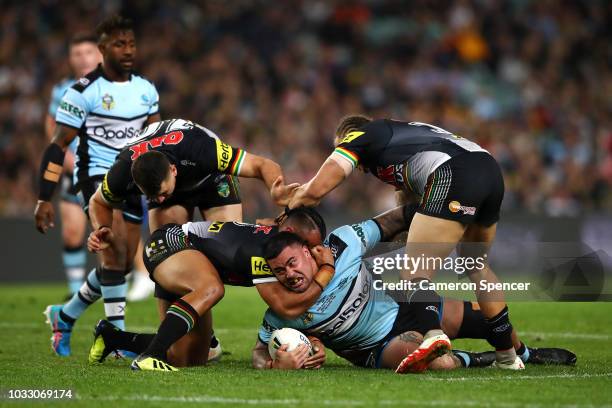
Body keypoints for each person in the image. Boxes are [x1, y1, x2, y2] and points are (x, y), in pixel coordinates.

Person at [285, 115, 523, 371]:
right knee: (475, 265)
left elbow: (315, 191)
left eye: (339, 145)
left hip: (454, 171)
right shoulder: (398, 146)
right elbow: (411, 212)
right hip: (488, 171)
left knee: (415, 271)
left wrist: (288, 201)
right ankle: (508, 357)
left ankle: (433, 337)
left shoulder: (365, 135)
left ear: (349, 136)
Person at [252, 220, 576, 371]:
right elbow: (259, 355)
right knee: (441, 365)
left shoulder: (344, 244)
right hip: (375, 347)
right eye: (279, 271)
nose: (289, 275)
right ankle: (484, 359)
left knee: (483, 315)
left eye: (292, 263)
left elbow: (390, 222)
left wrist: (435, 210)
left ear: (310, 253)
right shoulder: (281, 309)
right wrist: (276, 365)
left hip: (401, 307)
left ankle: (525, 353)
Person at [35, 15, 161, 356]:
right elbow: (57, 145)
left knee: (118, 263)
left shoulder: (146, 90)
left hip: (132, 179)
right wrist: (44, 197)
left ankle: (66, 314)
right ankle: (116, 339)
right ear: (104, 49)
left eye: (131, 43)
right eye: (119, 44)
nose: (128, 50)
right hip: (95, 177)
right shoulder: (82, 93)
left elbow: (156, 140)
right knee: (111, 250)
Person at [88, 207, 336, 371]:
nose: (312, 254)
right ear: (291, 233)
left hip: (190, 257)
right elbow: (284, 306)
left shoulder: (276, 243)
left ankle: (112, 337)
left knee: (189, 358)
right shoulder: (267, 249)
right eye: (309, 246)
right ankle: (149, 356)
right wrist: (326, 271)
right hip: (171, 243)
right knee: (212, 288)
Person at [45, 33, 101, 296]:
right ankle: (75, 289)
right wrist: (65, 157)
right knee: (71, 232)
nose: (82, 59)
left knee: (112, 232)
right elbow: (51, 125)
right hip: (74, 169)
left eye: (87, 52)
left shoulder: (117, 87)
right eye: (77, 54)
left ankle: (120, 283)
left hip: (106, 169)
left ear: (100, 54)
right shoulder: (63, 90)